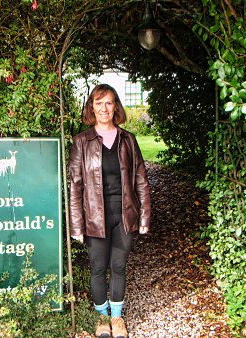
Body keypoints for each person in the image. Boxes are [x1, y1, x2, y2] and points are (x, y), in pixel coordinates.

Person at [69, 84, 151, 338]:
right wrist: (76, 225)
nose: (104, 108)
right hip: (95, 218)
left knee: (118, 266)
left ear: (116, 106)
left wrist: (145, 215)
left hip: (124, 216)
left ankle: (117, 319)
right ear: (91, 107)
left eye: (109, 103)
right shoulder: (82, 141)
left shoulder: (128, 139)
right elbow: (75, 186)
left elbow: (140, 179)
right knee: (97, 267)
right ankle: (101, 319)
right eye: (99, 102)